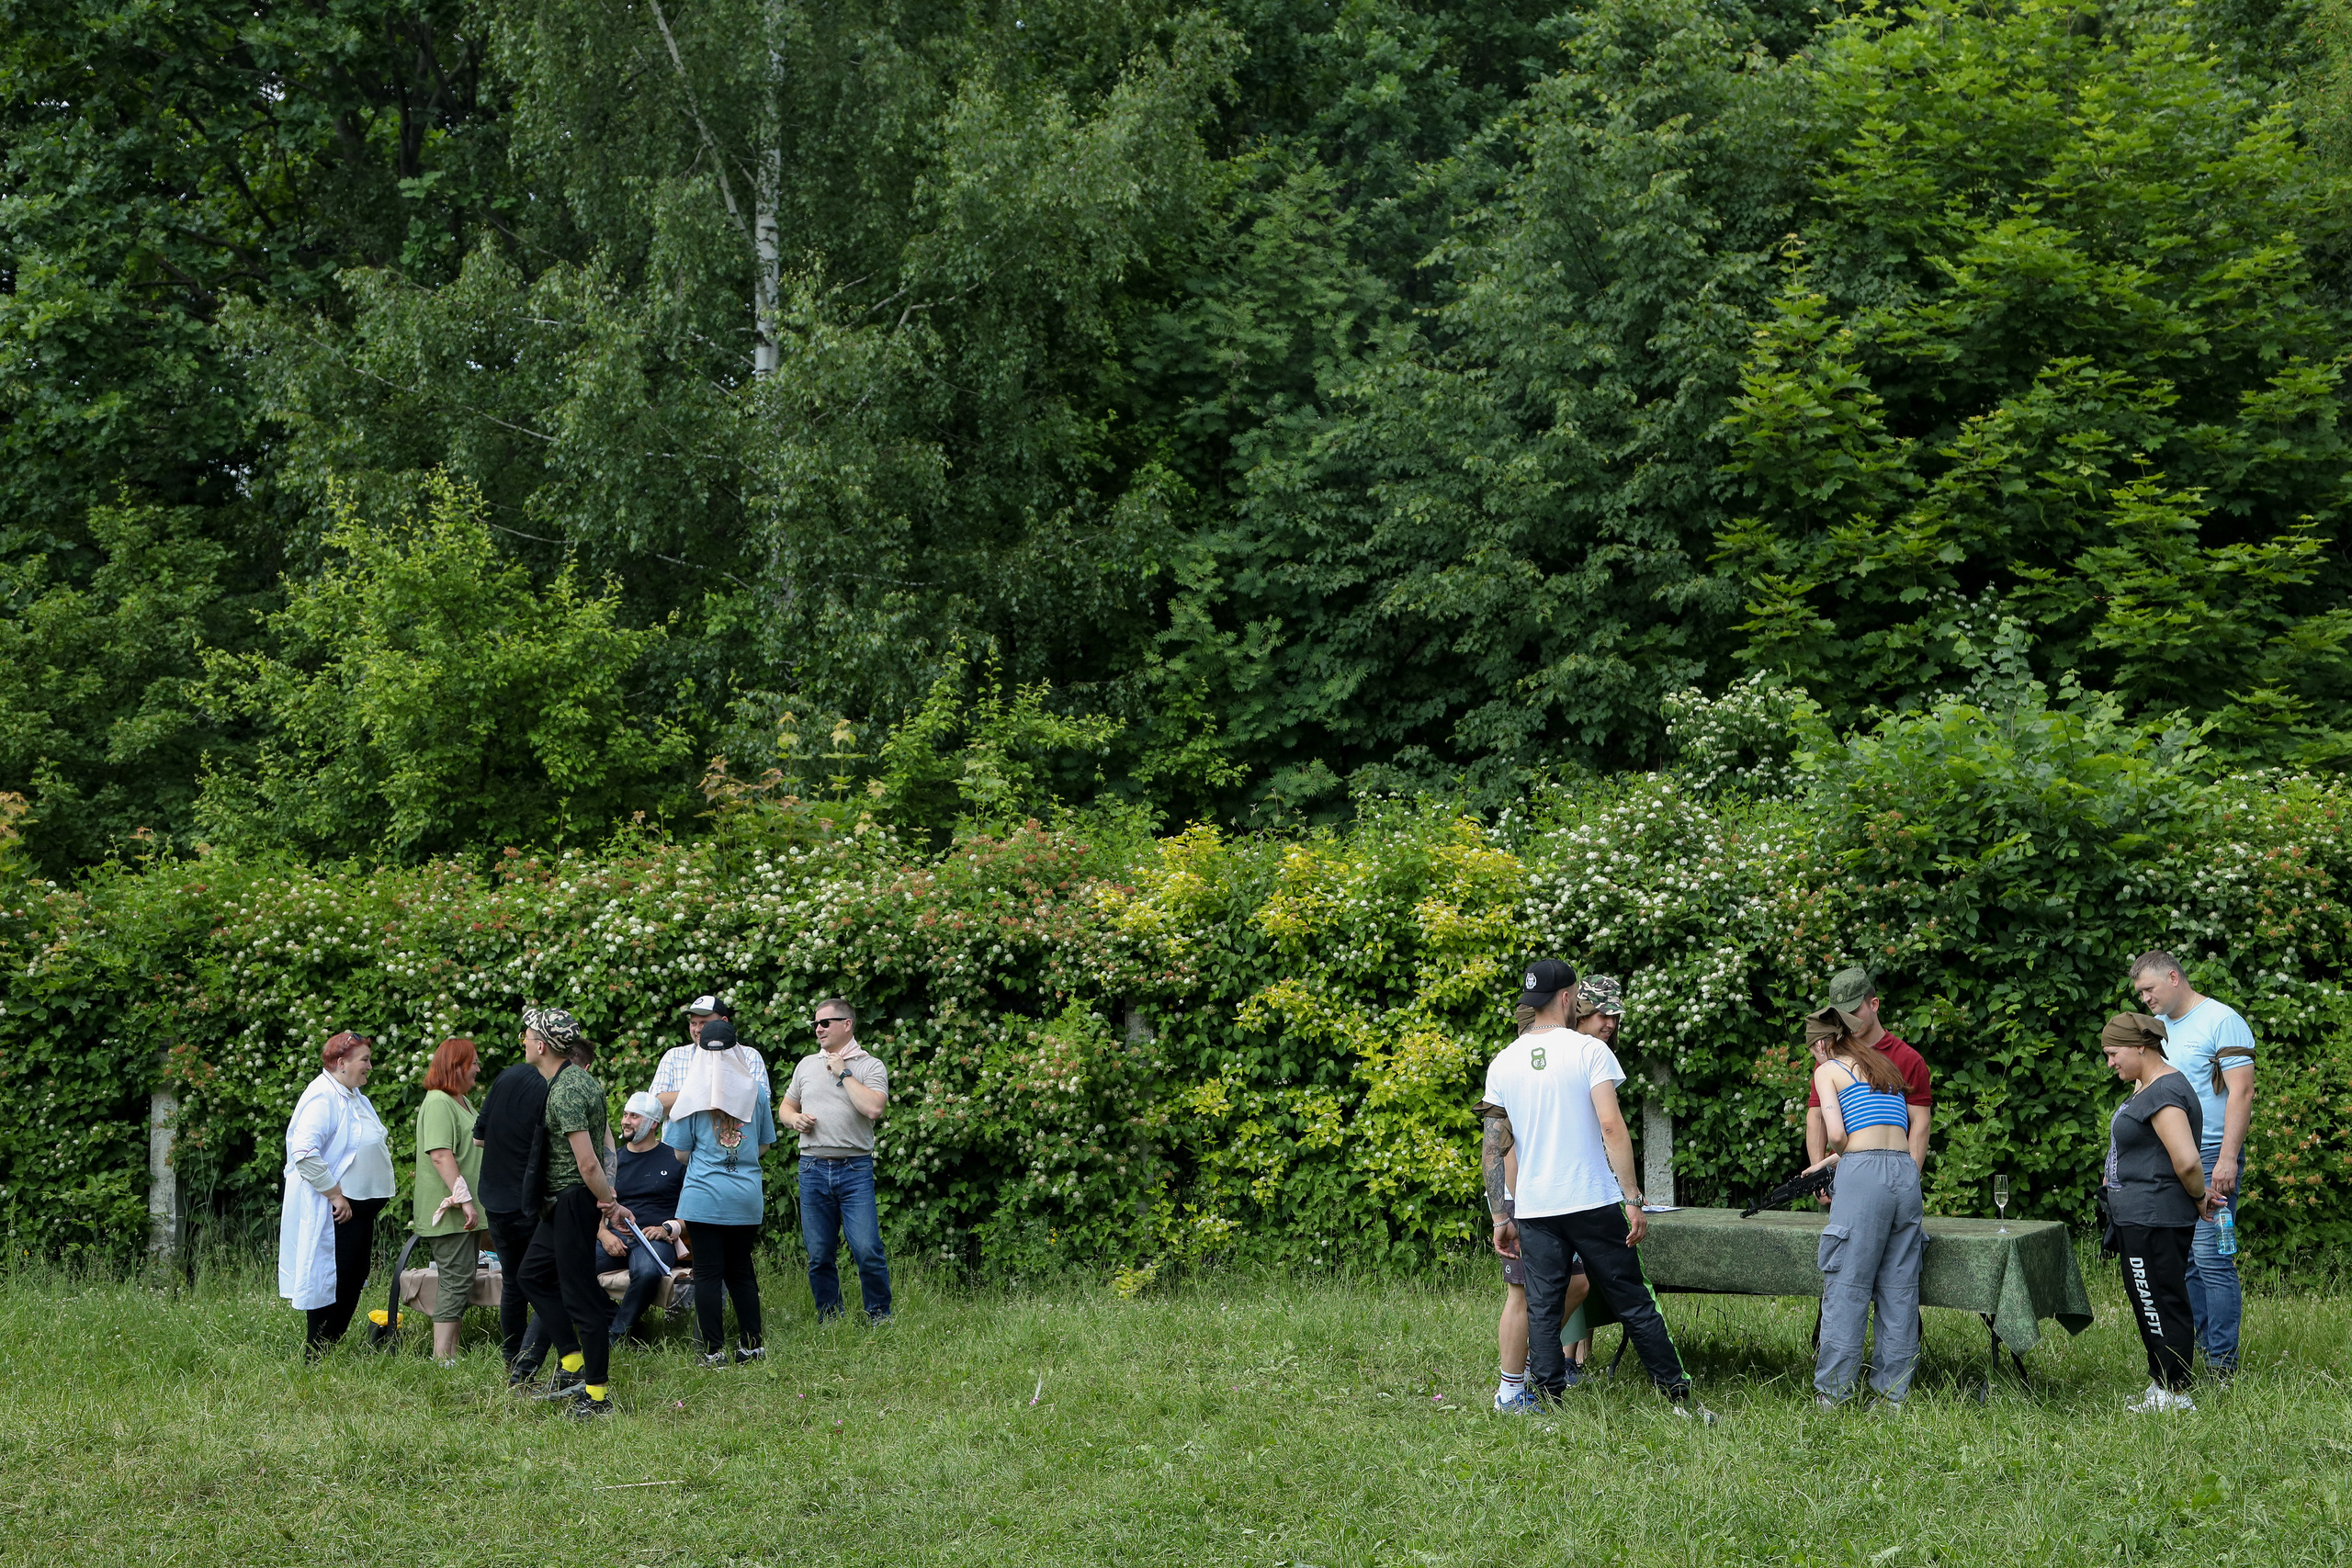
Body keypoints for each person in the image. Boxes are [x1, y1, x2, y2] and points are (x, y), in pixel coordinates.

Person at [1482, 960, 1713, 1422]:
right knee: (1635, 1300)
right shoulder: (1589, 1052)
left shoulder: (1502, 1062)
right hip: (1591, 1200)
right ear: (1568, 998)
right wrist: (1632, 1198)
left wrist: (1501, 1218)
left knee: (1545, 1309)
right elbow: (1611, 1125)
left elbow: (1493, 1146)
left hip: (1535, 1208)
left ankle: (1547, 1407)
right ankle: (1678, 1400)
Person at [1488, 977, 1619, 1412]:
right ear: (1571, 1006)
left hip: (1565, 1196)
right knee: (1524, 1295)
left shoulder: (1582, 1055)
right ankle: (1510, 1391)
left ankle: (1534, 1364)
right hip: (1530, 1196)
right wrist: (1510, 1205)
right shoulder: (1523, 1059)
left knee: (1577, 1284)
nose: (1611, 1024)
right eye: (1603, 1014)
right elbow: (1501, 1142)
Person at [2131, 951, 2256, 1378]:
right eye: (2140, 993)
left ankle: (2223, 1367)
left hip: (2210, 1154)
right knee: (2182, 1261)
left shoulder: (2221, 1020)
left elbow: (2240, 1093)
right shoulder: (2160, 1030)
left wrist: (2225, 1160)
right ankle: (2200, 1351)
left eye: (2149, 989)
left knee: (2211, 1258)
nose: (2145, 998)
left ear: (2173, 976)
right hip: (2171, 1161)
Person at [509, 1008, 636, 1417]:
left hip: (572, 1199)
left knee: (580, 1296)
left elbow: (588, 1162)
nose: (525, 1041)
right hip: (565, 1202)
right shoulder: (581, 1080)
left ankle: (596, 1396)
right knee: (531, 1275)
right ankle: (572, 1360)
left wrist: (609, 1203)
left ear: (542, 1045)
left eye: (528, 1035)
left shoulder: (564, 1091)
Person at [1806, 1011, 1927, 1409]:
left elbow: (1840, 1136)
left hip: (1864, 1178)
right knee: (1899, 1290)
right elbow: (1882, 1134)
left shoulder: (1830, 1071)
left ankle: (1834, 1396)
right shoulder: (1883, 1066)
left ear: (1822, 1044)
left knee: (1847, 1285)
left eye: (1812, 1053)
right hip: (1905, 1175)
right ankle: (1892, 1397)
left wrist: (1836, 1159)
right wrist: (1825, 1165)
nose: (1814, 1062)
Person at [2099, 1010, 2216, 1412]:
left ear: (2140, 1046)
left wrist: (2200, 1198)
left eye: (2114, 1053)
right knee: (2146, 1297)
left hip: (2156, 1216)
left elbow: (2186, 1161)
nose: (2110, 1062)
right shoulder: (2145, 1085)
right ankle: (2162, 1381)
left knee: (2159, 1299)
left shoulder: (2164, 1091)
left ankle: (2176, 1390)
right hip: (2138, 1216)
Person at [667, 1018, 777, 1364]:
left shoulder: (692, 1094)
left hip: (703, 1198)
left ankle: (714, 1351)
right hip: (745, 1197)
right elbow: (763, 1145)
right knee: (741, 1270)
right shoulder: (756, 1091)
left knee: (709, 1274)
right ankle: (751, 1345)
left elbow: (680, 1153)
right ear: (736, 1050)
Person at [278, 1031, 395, 1358]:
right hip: (336, 1209)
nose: (370, 1066)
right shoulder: (322, 1097)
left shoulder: (352, 1094)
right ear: (341, 1063)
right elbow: (303, 1152)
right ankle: (318, 1352)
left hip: (359, 1209)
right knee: (333, 1279)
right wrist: (334, 1194)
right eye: (365, 1060)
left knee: (353, 1276)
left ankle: (328, 1346)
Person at [781, 997, 893, 1322]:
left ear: (847, 1024)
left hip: (854, 1169)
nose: (818, 1028)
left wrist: (844, 1073)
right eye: (815, 1023)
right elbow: (786, 1107)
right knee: (819, 1254)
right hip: (813, 1168)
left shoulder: (870, 1066)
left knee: (867, 1250)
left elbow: (873, 1108)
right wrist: (793, 1120)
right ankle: (830, 1318)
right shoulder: (806, 1065)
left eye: (825, 1022)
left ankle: (879, 1316)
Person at [474, 1031, 571, 1376]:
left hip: (494, 1197)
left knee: (514, 1281)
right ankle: (531, 1364)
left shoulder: (506, 1076)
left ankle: (512, 1358)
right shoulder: (554, 1088)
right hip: (531, 1202)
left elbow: (478, 1138)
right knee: (550, 1282)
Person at [1804, 968, 1932, 1172]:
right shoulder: (1829, 1057)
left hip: (1892, 1173)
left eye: (1853, 1012)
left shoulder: (1908, 1059)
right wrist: (1819, 1174)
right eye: (1840, 1015)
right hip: (1838, 1176)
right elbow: (1817, 1116)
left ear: (1874, 1004)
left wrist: (1910, 1176)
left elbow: (1920, 1122)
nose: (1847, 1021)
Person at [413, 1037, 487, 1364]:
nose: (478, 1069)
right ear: (456, 1066)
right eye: (473, 1063)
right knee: (456, 1280)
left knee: (462, 1278)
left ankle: (450, 1354)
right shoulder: (438, 1102)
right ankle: (442, 1360)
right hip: (452, 1210)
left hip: (465, 1209)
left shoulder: (461, 1100)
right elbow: (441, 1155)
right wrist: (465, 1200)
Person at [601, 1092, 688, 1349]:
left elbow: (692, 1208)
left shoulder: (676, 1159)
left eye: (635, 1117)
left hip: (654, 1239)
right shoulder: (612, 1161)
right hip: (614, 1235)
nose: (626, 1121)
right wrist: (602, 1234)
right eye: (626, 1115)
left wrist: (668, 1228)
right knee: (570, 1269)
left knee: (649, 1272)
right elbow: (596, 1206)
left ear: (653, 1124)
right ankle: (624, 1322)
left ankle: (615, 1338)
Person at [654, 994, 769, 1117]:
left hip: (732, 1135)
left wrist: (690, 1098)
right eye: (693, 1023)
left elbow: (760, 1105)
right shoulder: (673, 1056)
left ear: (724, 1022)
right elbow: (654, 1106)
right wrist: (701, 1091)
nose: (697, 1029)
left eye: (704, 1023)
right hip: (679, 1136)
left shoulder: (749, 1056)